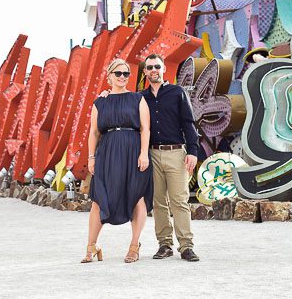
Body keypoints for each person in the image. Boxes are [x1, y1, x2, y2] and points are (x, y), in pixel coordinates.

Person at [82, 59, 152, 264]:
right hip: (107, 153)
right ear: (109, 76)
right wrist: (91, 157)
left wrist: (144, 153)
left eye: (126, 73)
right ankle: (91, 247)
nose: (122, 77)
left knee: (137, 195)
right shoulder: (100, 102)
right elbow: (94, 132)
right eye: (118, 73)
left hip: (133, 151)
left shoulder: (137, 98)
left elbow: (145, 129)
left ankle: (134, 246)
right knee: (98, 198)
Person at [142, 53, 203, 262]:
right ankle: (164, 244)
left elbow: (189, 123)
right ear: (145, 72)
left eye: (157, 67)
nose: (153, 71)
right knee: (158, 202)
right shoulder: (141, 97)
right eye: (149, 67)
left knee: (180, 200)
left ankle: (186, 246)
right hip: (152, 154)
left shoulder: (177, 92)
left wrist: (193, 151)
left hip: (177, 153)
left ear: (163, 69)